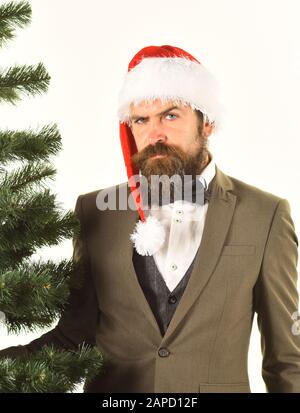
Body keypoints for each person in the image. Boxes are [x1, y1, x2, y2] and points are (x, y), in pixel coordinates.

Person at [1, 45, 299, 393]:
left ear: (208, 123)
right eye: (141, 120)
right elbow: (74, 335)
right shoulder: (95, 211)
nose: (154, 134)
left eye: (170, 115)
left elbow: (288, 361)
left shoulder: (266, 214)